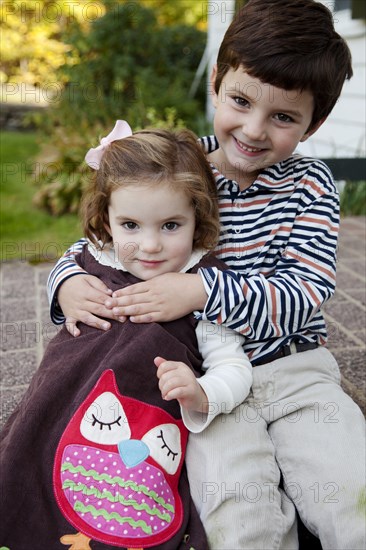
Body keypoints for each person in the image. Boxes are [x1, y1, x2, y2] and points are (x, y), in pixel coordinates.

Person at [46, 1, 366, 548]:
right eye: (240, 101)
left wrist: (196, 289)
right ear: (216, 81)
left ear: (315, 122)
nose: (254, 130)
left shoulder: (311, 184)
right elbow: (103, 237)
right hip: (203, 387)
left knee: (350, 495)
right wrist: (67, 281)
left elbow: (306, 291)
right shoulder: (180, 164)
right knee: (235, 511)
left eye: (284, 117)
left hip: (296, 371)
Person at [0, 123, 252, 550]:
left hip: (135, 430)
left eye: (171, 225)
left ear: (198, 218)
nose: (150, 245)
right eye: (131, 225)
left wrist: (202, 391)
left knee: (125, 507)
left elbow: (234, 366)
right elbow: (66, 275)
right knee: (26, 461)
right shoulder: (90, 258)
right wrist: (64, 287)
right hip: (61, 394)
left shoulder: (202, 285)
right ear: (107, 220)